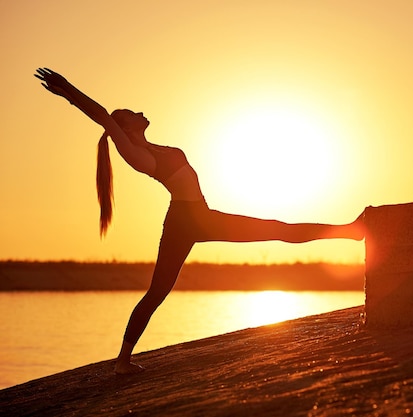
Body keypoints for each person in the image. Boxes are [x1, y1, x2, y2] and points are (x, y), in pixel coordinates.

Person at [34, 68, 364, 375]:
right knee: (159, 291)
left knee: (276, 229)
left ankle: (350, 232)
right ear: (125, 128)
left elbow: (112, 119)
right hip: (185, 222)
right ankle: (123, 361)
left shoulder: (154, 147)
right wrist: (68, 92)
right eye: (132, 113)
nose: (139, 112)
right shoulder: (137, 154)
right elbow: (103, 116)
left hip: (200, 216)